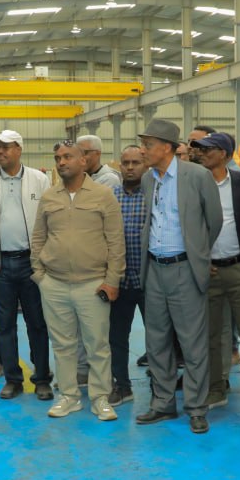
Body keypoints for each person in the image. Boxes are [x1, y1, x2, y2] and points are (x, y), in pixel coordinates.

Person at [133, 118, 222, 435]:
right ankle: (163, 403)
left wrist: (198, 253)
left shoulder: (196, 176)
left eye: (148, 145)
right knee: (156, 341)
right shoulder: (148, 179)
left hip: (185, 269)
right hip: (154, 269)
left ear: (166, 148)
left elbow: (214, 220)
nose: (143, 150)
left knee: (192, 343)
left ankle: (196, 408)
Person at [31, 142, 125, 420]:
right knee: (63, 345)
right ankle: (69, 397)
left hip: (93, 284)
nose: (61, 162)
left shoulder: (103, 195)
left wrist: (112, 280)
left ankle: (100, 398)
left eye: (67, 157)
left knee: (97, 345)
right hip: (55, 284)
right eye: (57, 157)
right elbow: (38, 237)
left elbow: (116, 241)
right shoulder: (49, 197)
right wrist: (40, 276)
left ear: (83, 161)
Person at [0, 129, 53, 400]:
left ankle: (42, 378)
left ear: (19, 149)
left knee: (37, 323)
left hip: (32, 263)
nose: (0, 151)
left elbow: (49, 221)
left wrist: (46, 260)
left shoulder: (39, 180)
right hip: (0, 265)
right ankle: (13, 379)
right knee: (4, 325)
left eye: (6, 147)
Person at [192, 131, 240, 414]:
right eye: (200, 150)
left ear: (223, 154)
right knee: (212, 335)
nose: (201, 154)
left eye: (207, 149)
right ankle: (216, 387)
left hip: (239, 269)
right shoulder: (196, 183)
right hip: (209, 271)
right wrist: (200, 261)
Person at [110, 144, 148, 407]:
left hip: (149, 280)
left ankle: (161, 387)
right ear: (120, 166)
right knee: (116, 337)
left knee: (158, 338)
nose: (131, 167)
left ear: (145, 165)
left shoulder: (155, 195)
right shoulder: (110, 197)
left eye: (136, 162)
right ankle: (122, 386)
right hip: (120, 281)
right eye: (126, 163)